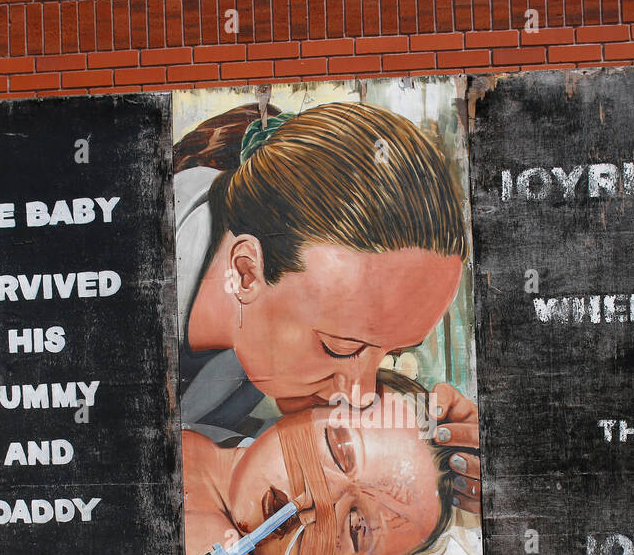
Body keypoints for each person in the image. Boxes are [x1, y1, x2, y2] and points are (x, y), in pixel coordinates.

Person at [173, 100, 481, 513]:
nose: (362, 397)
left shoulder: (259, 341)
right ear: (247, 272)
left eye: (393, 354)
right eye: (339, 347)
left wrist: (427, 456)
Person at [183, 372, 458, 555]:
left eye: (355, 527)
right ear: (308, 404)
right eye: (338, 453)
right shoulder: (207, 401)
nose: (312, 503)